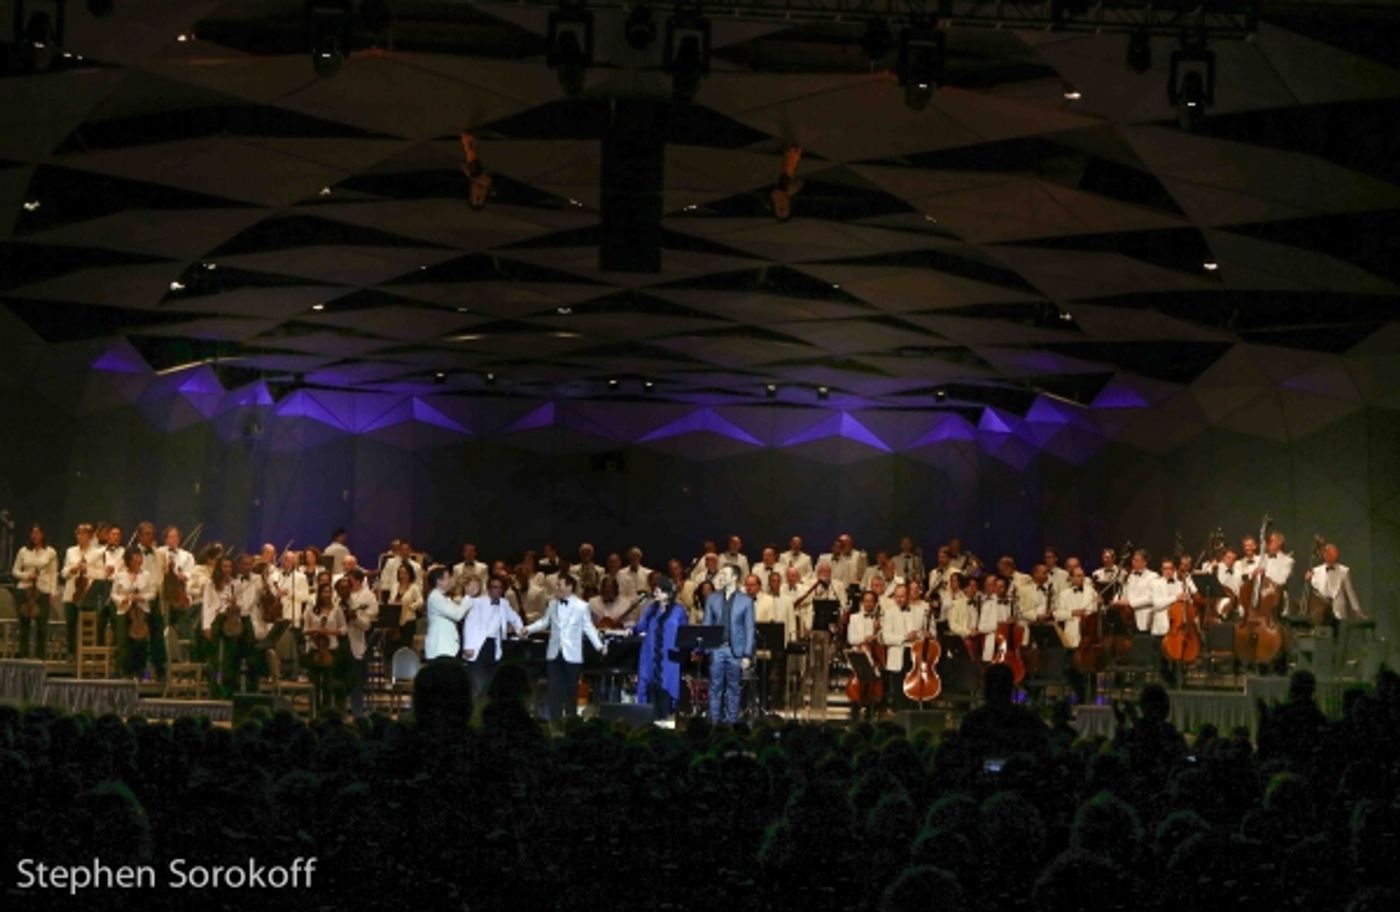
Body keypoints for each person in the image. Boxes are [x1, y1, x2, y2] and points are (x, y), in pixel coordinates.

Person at [525, 573, 606, 726]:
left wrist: (599, 646)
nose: (556, 587)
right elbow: (544, 622)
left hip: (572, 655)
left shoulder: (582, 606)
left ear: (569, 587)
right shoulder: (552, 603)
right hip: (554, 653)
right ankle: (555, 725)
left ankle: (571, 724)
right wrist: (527, 629)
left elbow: (589, 628)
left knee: (570, 692)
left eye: (559, 585)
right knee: (554, 691)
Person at [702, 564, 754, 724]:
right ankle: (714, 724)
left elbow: (749, 628)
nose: (721, 577)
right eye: (720, 574)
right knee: (715, 688)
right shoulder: (712, 598)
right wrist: (706, 647)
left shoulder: (746, 601)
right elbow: (707, 624)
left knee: (734, 689)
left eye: (724, 574)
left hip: (735, 651)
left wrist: (747, 654)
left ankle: (732, 723)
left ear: (734, 578)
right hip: (717, 649)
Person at [462, 576, 524, 700]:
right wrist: (467, 647)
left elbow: (515, 618)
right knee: (477, 682)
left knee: (490, 681)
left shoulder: (504, 603)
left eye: (500, 588)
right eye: (495, 587)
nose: (498, 590)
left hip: (494, 646)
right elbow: (469, 624)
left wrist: (521, 630)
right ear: (489, 589)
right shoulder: (478, 602)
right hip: (478, 645)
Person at [635, 578, 686, 721]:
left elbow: (684, 632)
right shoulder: (650, 609)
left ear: (669, 593)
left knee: (667, 685)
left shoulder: (679, 611)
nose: (655, 592)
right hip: (650, 653)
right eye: (655, 589)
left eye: (660, 589)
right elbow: (640, 627)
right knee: (648, 683)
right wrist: (628, 629)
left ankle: (666, 718)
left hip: (670, 655)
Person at [12, 523, 58, 660]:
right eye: (33, 533)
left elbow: (53, 574)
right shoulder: (23, 551)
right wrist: (27, 576)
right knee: (24, 625)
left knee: (41, 626)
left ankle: (40, 658)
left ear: (43, 535)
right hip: (25, 590)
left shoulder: (50, 552)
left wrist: (53, 592)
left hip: (42, 590)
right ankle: (23, 656)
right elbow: (15, 570)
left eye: (37, 532)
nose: (35, 535)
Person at [302, 581, 348, 712]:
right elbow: (305, 628)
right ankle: (314, 711)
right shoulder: (311, 610)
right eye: (324, 592)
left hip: (331, 648)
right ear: (319, 594)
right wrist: (314, 631)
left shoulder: (336, 609)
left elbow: (343, 628)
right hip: (315, 649)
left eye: (329, 592)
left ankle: (327, 711)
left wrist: (330, 632)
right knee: (314, 683)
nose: (327, 595)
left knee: (328, 683)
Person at [110, 547, 155, 678]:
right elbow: (113, 593)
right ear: (129, 560)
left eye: (140, 556)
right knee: (123, 643)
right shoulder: (120, 575)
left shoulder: (146, 575)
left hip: (141, 612)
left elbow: (153, 593)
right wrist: (121, 600)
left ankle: (139, 672)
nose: (139, 559)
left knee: (140, 643)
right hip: (124, 611)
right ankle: (123, 672)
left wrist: (142, 597)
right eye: (136, 556)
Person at [60, 523, 102, 659]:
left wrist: (87, 570)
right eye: (78, 534)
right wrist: (72, 569)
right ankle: (71, 653)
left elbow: (101, 574)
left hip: (88, 594)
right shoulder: (70, 551)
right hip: (71, 592)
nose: (80, 536)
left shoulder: (97, 553)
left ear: (89, 536)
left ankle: (88, 655)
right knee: (71, 625)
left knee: (87, 627)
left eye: (83, 534)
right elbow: (63, 572)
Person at [344, 568, 379, 717]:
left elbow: (370, 617)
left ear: (357, 581)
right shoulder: (343, 596)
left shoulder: (367, 595)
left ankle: (358, 712)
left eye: (350, 580)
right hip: (341, 643)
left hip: (358, 641)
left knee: (357, 680)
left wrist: (356, 616)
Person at [1305, 543, 1365, 623]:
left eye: (1331, 553)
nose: (1328, 556)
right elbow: (1315, 589)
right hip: (1321, 612)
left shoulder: (1344, 571)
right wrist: (1308, 579)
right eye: (1326, 553)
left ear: (1336, 555)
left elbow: (1350, 591)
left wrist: (1357, 610)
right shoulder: (1316, 571)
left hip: (1338, 611)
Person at [424, 566, 470, 660]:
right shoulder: (436, 597)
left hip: (446, 648)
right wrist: (468, 596)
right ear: (438, 581)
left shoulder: (442, 597)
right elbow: (457, 615)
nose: (450, 581)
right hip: (440, 648)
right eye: (448, 578)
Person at [384, 560, 423, 658]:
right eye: (401, 573)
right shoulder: (395, 586)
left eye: (405, 573)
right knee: (393, 648)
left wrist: (410, 606)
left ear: (410, 574)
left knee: (405, 647)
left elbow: (420, 601)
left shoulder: (414, 587)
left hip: (409, 620)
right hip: (395, 621)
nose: (403, 576)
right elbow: (390, 600)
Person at [767, 145, 804, 222]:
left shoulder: (780, 211)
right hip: (784, 190)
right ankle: (794, 153)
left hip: (783, 191)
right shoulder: (782, 211)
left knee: (787, 171)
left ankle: (792, 153)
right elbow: (783, 202)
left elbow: (781, 202)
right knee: (788, 171)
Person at [460, 130, 493, 210]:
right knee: (471, 155)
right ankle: (467, 138)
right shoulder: (481, 196)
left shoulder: (475, 196)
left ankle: (468, 138)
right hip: (478, 174)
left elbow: (476, 186)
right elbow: (482, 185)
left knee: (471, 155)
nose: (476, 200)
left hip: (476, 174)